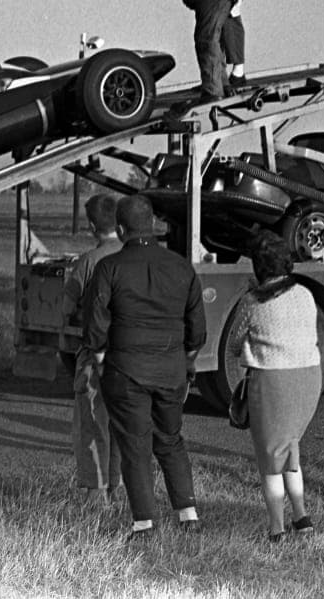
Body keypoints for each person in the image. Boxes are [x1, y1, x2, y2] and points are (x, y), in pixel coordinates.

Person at [81, 194, 207, 539]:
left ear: (121, 229)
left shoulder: (110, 268)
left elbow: (95, 327)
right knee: (170, 439)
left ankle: (145, 524)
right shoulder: (182, 267)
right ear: (152, 224)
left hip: (125, 371)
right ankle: (188, 514)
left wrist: (103, 360)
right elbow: (198, 331)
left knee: (135, 444)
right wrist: (186, 361)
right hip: (171, 371)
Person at [225, 232, 322, 542]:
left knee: (270, 461)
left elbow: (234, 345)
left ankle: (276, 529)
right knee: (290, 447)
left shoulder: (252, 302)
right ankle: (302, 517)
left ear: (257, 268)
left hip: (273, 381)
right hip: (309, 378)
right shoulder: (305, 294)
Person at [63, 193, 123, 505]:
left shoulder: (89, 261)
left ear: (91, 226)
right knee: (121, 425)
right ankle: (117, 488)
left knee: (91, 422)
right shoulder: (131, 256)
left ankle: (95, 494)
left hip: (94, 354)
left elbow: (66, 306)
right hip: (129, 356)